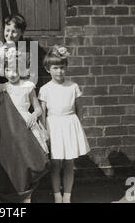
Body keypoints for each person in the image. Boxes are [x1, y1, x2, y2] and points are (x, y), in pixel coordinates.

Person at [0, 48, 49, 203]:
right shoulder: (2, 88)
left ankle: (27, 195)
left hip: (25, 124)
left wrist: (33, 115)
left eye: (16, 69)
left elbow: (37, 107)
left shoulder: (28, 86)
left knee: (30, 159)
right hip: (10, 128)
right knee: (14, 160)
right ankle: (16, 194)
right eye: (8, 69)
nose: (12, 73)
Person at [38, 45, 90, 203]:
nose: (59, 71)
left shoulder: (73, 86)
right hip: (53, 126)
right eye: (55, 68)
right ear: (48, 69)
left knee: (69, 163)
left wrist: (77, 127)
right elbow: (43, 112)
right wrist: (44, 131)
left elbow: (79, 108)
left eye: (62, 67)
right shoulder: (45, 89)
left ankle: (67, 195)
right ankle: (57, 195)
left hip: (70, 124)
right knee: (55, 164)